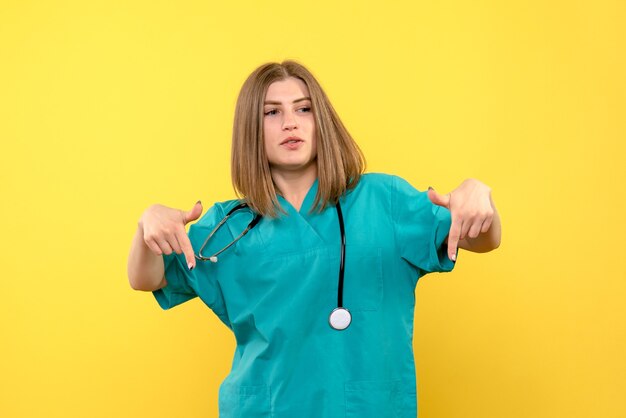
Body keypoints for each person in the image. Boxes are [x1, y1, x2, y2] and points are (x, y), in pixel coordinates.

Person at [127, 60, 501, 417]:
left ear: (322, 121)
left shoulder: (384, 201)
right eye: (271, 113)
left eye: (303, 109)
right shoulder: (228, 227)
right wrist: (147, 228)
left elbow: (481, 238)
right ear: (250, 130)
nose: (291, 123)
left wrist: (477, 197)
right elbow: (147, 278)